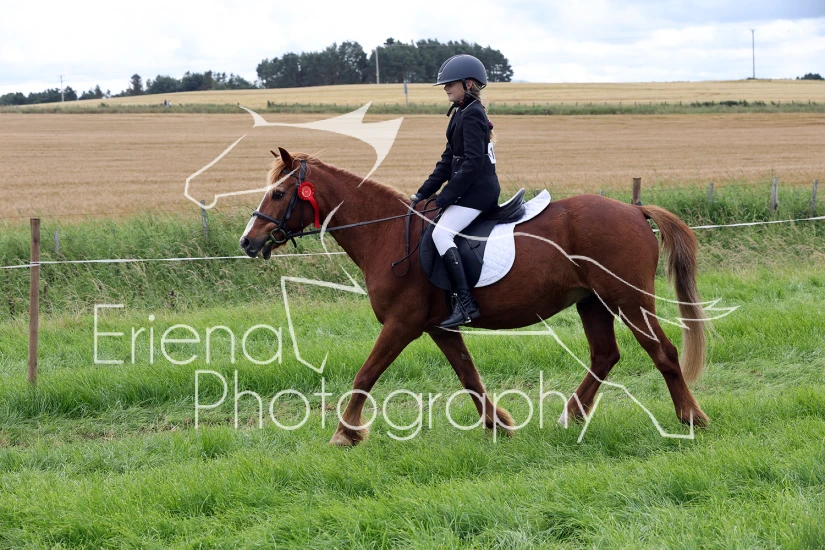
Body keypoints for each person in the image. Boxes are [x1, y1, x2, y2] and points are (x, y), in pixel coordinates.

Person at [410, 54, 500, 328]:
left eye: (450, 83)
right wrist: (422, 193)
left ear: (468, 83)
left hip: (478, 193)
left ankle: (466, 303)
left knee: (441, 234)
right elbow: (448, 160)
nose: (446, 88)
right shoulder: (460, 112)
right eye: (445, 84)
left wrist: (446, 197)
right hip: (468, 191)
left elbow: (472, 165)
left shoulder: (472, 114)